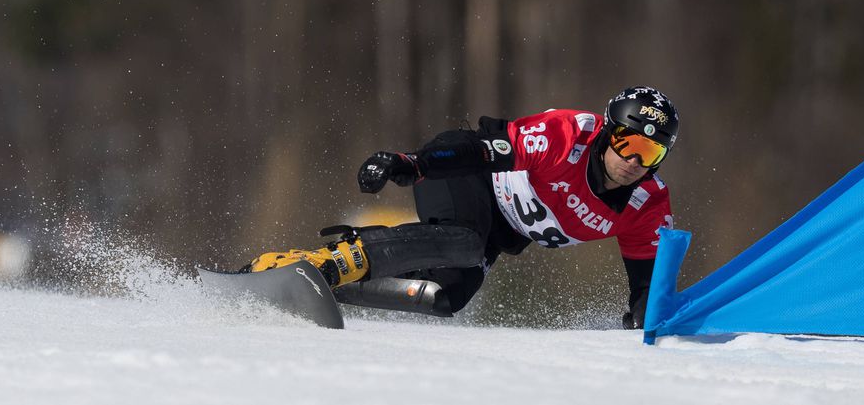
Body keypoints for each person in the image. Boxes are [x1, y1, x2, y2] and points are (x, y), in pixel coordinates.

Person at [246, 86, 679, 329]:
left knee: (444, 299)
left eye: (651, 153)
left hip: (496, 230)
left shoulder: (647, 205)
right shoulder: (565, 138)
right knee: (462, 241)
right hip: (467, 176)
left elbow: (645, 289)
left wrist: (649, 323)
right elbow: (477, 149)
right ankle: (329, 261)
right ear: (607, 132)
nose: (633, 162)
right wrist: (414, 163)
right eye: (627, 142)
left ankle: (312, 281)